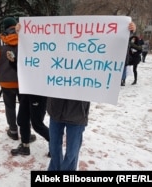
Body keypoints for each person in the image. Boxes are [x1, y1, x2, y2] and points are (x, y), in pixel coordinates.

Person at [47, 22, 137, 171]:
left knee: (71, 152)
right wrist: (22, 34)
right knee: (54, 148)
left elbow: (119, 59)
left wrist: (126, 36)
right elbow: (34, 55)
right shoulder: (56, 52)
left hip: (77, 112)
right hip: (55, 109)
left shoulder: (92, 55)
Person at [0, 17, 36, 142]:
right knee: (25, 107)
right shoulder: (26, 38)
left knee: (10, 106)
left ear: (5, 27)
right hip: (24, 81)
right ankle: (26, 132)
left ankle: (13, 130)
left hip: (6, 80)